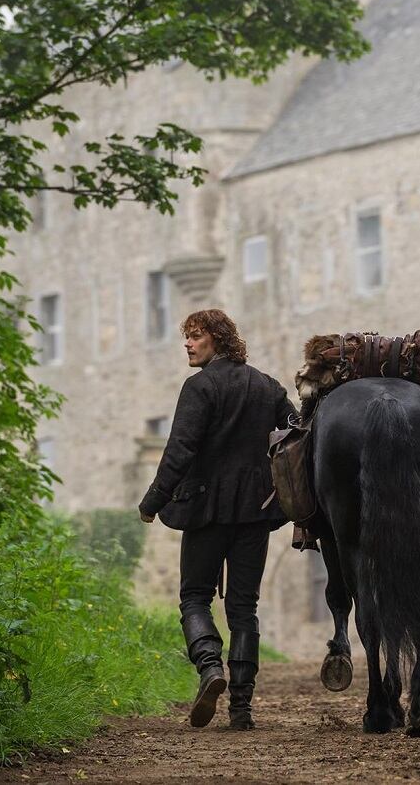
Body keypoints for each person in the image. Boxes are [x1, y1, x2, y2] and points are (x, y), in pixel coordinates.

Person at [139, 309, 298, 730]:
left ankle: (211, 669)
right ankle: (241, 709)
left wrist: (152, 501)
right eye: (186, 338)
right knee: (244, 607)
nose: (187, 345)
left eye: (195, 337)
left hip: (206, 511)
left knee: (194, 597)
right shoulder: (268, 387)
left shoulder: (199, 387)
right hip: (254, 514)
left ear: (218, 340)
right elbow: (298, 433)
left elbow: (180, 452)